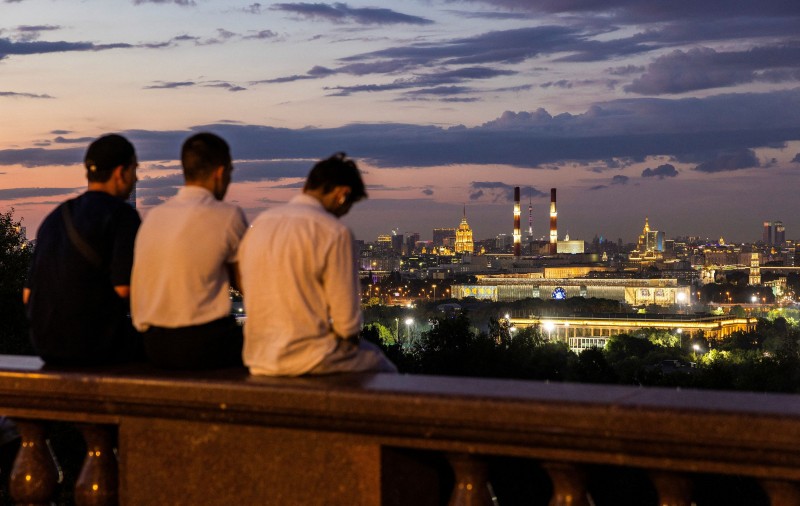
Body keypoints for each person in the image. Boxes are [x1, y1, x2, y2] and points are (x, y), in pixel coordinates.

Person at [239, 153, 397, 376]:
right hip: (308, 358)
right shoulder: (333, 232)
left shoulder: (261, 223)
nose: (343, 214)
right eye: (348, 206)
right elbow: (347, 326)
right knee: (384, 367)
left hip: (258, 358)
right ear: (342, 194)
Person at [130, 132, 247, 369]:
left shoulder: (154, 218)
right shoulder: (227, 215)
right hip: (207, 343)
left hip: (153, 344)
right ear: (220, 172)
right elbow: (249, 283)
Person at [24, 134, 143, 365]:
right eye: (134, 169)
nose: (136, 178)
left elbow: (27, 294)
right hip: (96, 345)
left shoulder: (58, 215)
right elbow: (124, 289)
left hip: (45, 345)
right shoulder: (122, 215)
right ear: (121, 172)